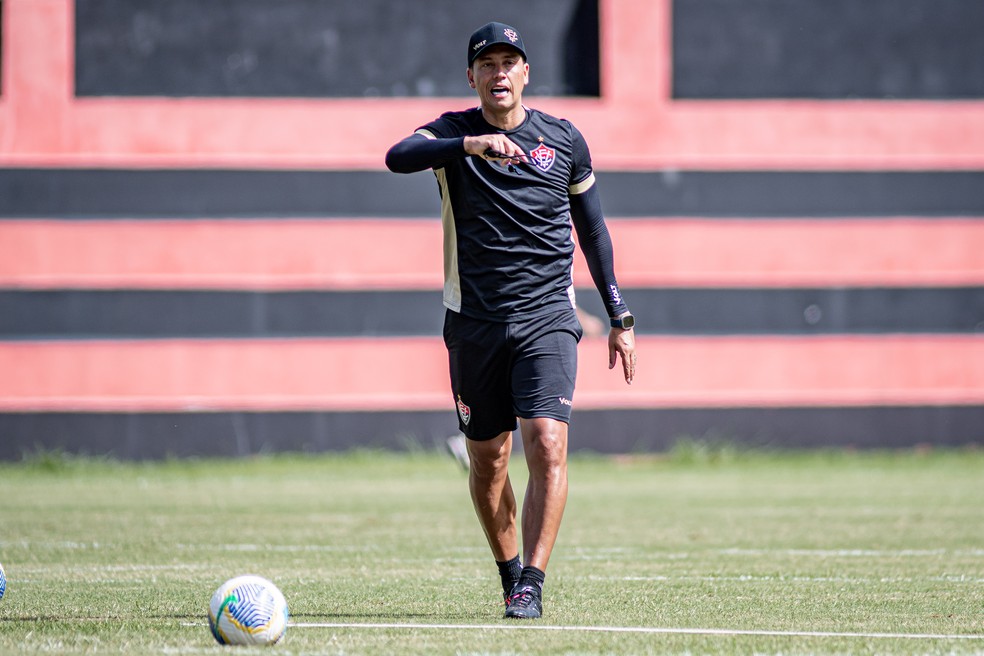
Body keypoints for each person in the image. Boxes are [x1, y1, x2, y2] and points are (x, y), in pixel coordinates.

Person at [385, 21, 636, 620]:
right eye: (487, 64)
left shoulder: (564, 140)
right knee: (488, 460)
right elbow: (398, 157)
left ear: (526, 74)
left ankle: (533, 583)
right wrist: (467, 147)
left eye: (510, 63)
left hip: (548, 317)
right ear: (471, 77)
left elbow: (593, 231)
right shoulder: (452, 133)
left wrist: (619, 313)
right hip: (473, 322)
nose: (500, 73)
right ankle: (508, 573)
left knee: (547, 442)